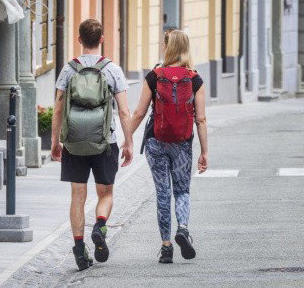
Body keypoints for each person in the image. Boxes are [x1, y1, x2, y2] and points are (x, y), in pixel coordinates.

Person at [51, 18, 134, 271]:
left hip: (74, 143)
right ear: (101, 39)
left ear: (79, 40)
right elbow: (124, 111)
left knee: (78, 195)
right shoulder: (113, 70)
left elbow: (57, 109)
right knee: (105, 193)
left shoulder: (69, 70)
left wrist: (56, 142)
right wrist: (128, 142)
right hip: (104, 141)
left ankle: (78, 248)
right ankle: (99, 225)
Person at [130, 29, 209, 264]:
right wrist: (204, 151)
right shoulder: (194, 79)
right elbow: (201, 119)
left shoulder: (154, 76)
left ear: (167, 48)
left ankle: (166, 247)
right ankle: (183, 228)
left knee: (163, 193)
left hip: (156, 142)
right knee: (182, 190)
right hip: (182, 144)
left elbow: (139, 112)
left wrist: (127, 138)